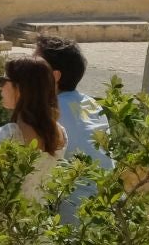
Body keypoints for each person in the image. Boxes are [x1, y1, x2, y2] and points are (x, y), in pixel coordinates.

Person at [34, 34, 112, 224]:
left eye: (34, 67)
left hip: (72, 216)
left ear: (54, 76)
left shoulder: (49, 112)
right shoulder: (91, 104)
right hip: (109, 205)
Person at [0, 54, 67, 198]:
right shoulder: (60, 133)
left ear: (19, 88)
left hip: (1, 217)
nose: (0, 87)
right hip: (36, 217)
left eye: (2, 81)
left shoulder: (9, 135)